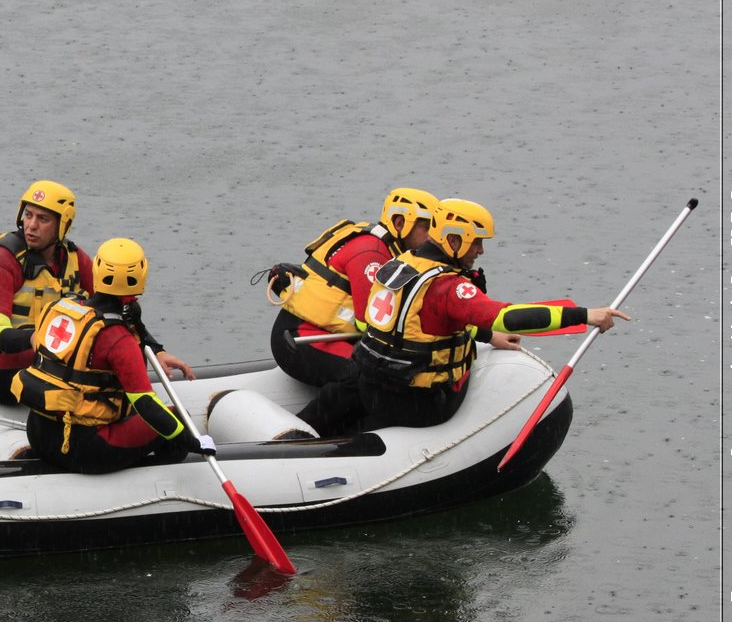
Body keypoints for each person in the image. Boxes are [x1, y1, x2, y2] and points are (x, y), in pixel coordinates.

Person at [351, 198, 629, 430]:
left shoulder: (400, 261)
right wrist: (584, 315)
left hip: (373, 389)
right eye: (476, 243)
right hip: (421, 404)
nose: (481, 251)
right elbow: (507, 318)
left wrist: (487, 336)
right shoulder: (449, 286)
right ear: (453, 240)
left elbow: (421, 326)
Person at [0, 179, 191, 402]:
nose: (31, 226)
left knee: (121, 349)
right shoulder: (1, 260)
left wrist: (155, 350)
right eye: (28, 215)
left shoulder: (76, 259)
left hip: (52, 355)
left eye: (43, 219)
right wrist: (34, 340)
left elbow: (119, 307)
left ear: (62, 224)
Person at [11, 238, 212, 473]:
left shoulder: (61, 308)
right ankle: (157, 483)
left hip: (38, 434)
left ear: (97, 269)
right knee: (178, 419)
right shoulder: (119, 339)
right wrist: (192, 440)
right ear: (141, 275)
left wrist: (157, 350)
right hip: (85, 450)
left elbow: (130, 320)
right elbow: (145, 404)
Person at [266, 186, 440, 436]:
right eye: (426, 228)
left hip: (324, 334)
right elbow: (369, 324)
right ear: (401, 223)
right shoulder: (371, 254)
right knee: (362, 377)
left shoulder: (393, 252)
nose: (432, 237)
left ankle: (353, 426)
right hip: (300, 339)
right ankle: (302, 434)